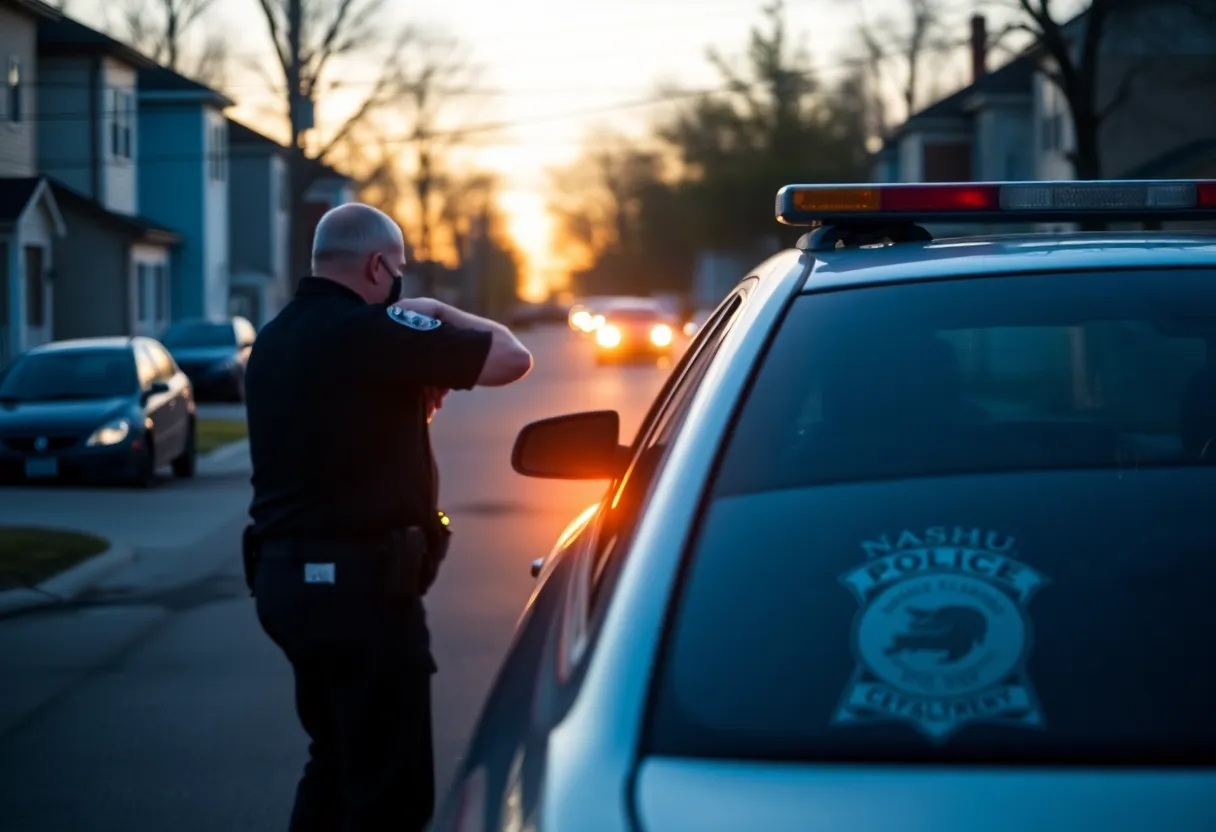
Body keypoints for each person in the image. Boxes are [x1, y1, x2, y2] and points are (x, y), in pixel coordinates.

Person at [243, 202, 532, 831]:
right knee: (391, 794)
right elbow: (512, 358)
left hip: (287, 586)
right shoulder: (370, 333)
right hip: (361, 595)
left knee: (335, 764)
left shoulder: (276, 339)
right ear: (378, 266)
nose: (398, 285)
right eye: (398, 273)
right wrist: (431, 313)